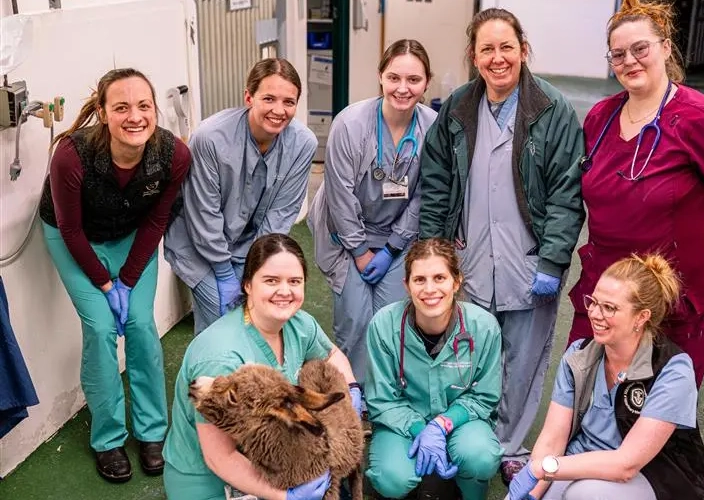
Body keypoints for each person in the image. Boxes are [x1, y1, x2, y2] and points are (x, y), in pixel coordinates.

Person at [418, 8, 585, 482]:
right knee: (469, 354)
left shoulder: (552, 111)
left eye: (506, 47)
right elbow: (435, 184)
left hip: (528, 259)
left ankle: (510, 447)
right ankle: (469, 436)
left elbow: (565, 196)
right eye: (486, 49)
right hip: (468, 256)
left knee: (524, 355)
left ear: (523, 50)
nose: (497, 58)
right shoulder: (455, 109)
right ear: (473, 56)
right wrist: (434, 251)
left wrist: (553, 260)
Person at [566, 0, 704, 387]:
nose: (630, 61)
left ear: (665, 47)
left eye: (641, 48)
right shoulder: (600, 118)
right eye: (618, 54)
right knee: (585, 383)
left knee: (656, 399)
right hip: (608, 283)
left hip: (678, 289)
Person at [38, 68, 191, 482]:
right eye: (121, 107)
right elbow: (70, 229)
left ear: (154, 109)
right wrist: (106, 285)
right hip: (73, 237)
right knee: (102, 328)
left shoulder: (173, 155)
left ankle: (152, 432)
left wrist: (127, 279)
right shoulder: (71, 155)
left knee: (141, 325)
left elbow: (158, 219)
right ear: (103, 113)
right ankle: (107, 439)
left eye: (143, 106)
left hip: (130, 236)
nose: (135, 116)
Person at [163, 234, 361, 500]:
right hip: (213, 480)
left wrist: (352, 393)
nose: (284, 291)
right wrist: (286, 497)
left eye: (294, 281)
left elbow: (332, 356)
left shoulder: (298, 324)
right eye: (271, 281)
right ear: (247, 285)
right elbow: (220, 457)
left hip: (273, 460)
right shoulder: (222, 357)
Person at [507, 254, 704, 500]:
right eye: (593, 302)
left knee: (584, 494)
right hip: (583, 461)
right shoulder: (579, 355)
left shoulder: (673, 370)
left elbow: (626, 465)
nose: (594, 313)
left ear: (641, 317)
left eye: (609, 307)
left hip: (651, 476)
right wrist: (531, 493)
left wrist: (542, 468)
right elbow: (552, 440)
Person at [308, 39, 438, 385]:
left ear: (427, 82)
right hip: (343, 232)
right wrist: (361, 252)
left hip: (398, 235)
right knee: (353, 319)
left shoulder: (433, 128)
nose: (403, 88)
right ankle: (351, 395)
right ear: (380, 77)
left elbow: (424, 195)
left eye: (414, 80)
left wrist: (394, 246)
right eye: (394, 77)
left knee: (391, 320)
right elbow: (339, 194)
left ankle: (384, 395)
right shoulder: (350, 124)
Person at [164, 58, 317, 335]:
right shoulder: (210, 138)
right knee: (220, 326)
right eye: (269, 98)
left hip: (252, 249)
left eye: (289, 102)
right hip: (198, 246)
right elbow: (203, 214)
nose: (279, 110)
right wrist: (224, 273)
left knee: (258, 321)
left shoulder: (303, 143)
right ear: (249, 97)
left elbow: (281, 213)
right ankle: (208, 377)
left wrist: (252, 268)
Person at [364, 238, 504, 500]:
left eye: (440, 277)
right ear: (406, 285)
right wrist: (421, 430)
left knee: (480, 457)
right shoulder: (383, 326)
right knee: (391, 478)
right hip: (402, 423)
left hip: (462, 422)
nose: (430, 289)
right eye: (419, 280)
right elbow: (381, 400)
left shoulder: (484, 327)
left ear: (456, 281)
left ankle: (470, 490)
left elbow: (484, 396)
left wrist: (441, 425)